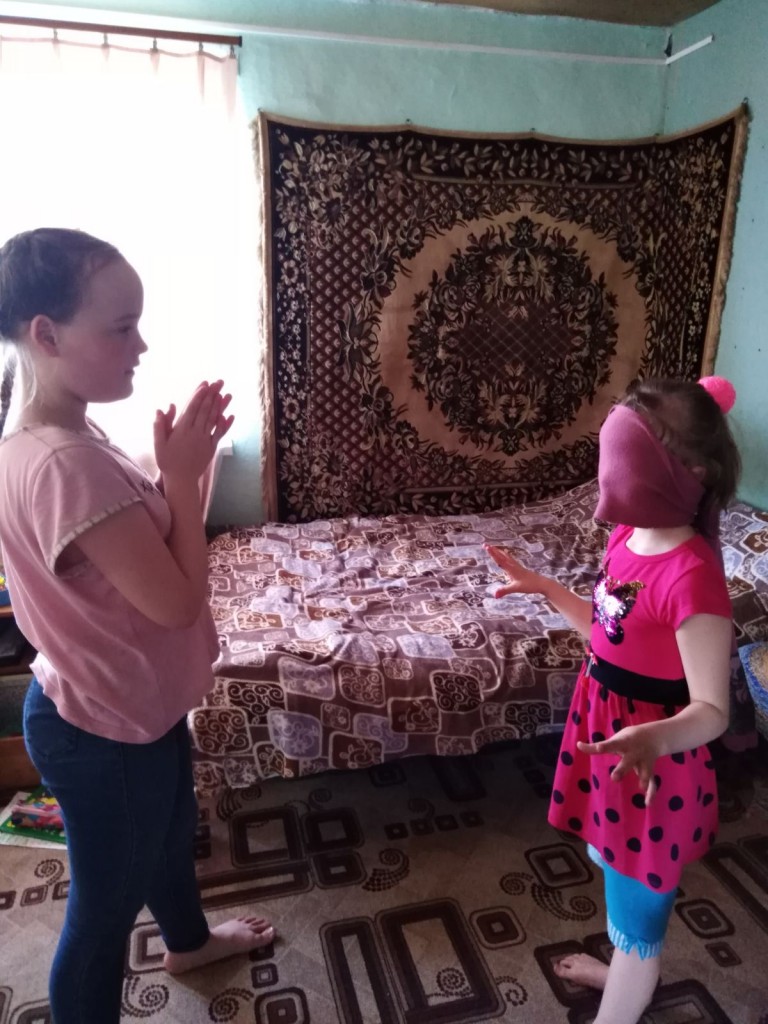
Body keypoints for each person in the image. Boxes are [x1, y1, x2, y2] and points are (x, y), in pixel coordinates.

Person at [0, 228, 274, 1024]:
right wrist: (183, 480)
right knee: (103, 914)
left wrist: (189, 468)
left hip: (124, 705)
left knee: (170, 833)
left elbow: (150, 535)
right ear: (47, 334)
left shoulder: (60, 436)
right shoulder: (66, 463)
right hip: (104, 730)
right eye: (121, 328)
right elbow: (177, 601)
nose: (142, 345)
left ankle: (189, 942)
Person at [485, 376, 740, 1024]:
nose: (606, 486)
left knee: (640, 905)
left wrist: (653, 738)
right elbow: (608, 633)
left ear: (686, 474)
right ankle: (626, 966)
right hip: (611, 742)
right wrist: (548, 589)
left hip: (654, 768)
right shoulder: (627, 538)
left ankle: (629, 986)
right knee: (618, 876)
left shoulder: (692, 578)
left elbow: (713, 711)